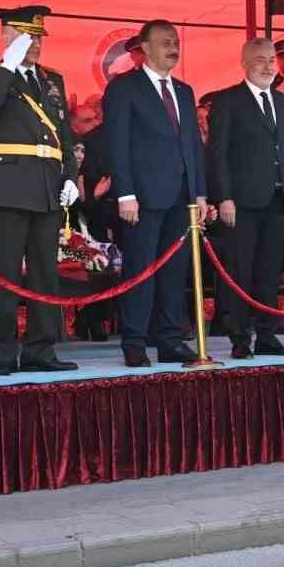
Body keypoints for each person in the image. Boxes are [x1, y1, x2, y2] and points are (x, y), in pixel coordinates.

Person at [0, 6, 79, 374]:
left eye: (37, 38)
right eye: (25, 37)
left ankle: (41, 350)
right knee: (5, 272)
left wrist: (70, 176)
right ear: (6, 37)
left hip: (48, 185)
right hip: (8, 185)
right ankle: (3, 353)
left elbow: (65, 134)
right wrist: (8, 65)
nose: (34, 45)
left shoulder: (52, 80)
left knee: (46, 273)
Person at [102, 19, 207, 367]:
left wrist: (200, 193)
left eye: (176, 41)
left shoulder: (184, 90)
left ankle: (169, 340)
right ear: (144, 48)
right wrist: (124, 193)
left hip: (180, 196)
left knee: (175, 273)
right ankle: (134, 342)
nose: (173, 47)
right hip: (142, 197)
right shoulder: (124, 88)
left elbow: (192, 144)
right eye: (165, 42)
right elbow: (116, 144)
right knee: (140, 271)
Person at [207, 37, 284, 359]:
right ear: (245, 63)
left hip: (278, 201)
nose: (267, 66)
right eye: (260, 60)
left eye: (271, 60)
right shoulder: (228, 101)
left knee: (268, 271)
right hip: (242, 202)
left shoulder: (282, 102)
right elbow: (218, 153)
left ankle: (267, 335)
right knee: (241, 271)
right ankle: (239, 338)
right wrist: (224, 198)